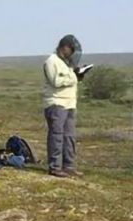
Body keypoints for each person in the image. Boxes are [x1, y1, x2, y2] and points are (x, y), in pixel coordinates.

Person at [42, 34, 90, 178]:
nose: (73, 53)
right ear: (65, 47)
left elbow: (69, 81)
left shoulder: (67, 63)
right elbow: (56, 81)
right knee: (57, 136)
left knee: (69, 136)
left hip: (69, 104)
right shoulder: (52, 61)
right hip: (56, 103)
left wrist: (78, 76)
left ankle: (68, 165)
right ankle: (55, 167)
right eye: (71, 49)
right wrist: (74, 76)